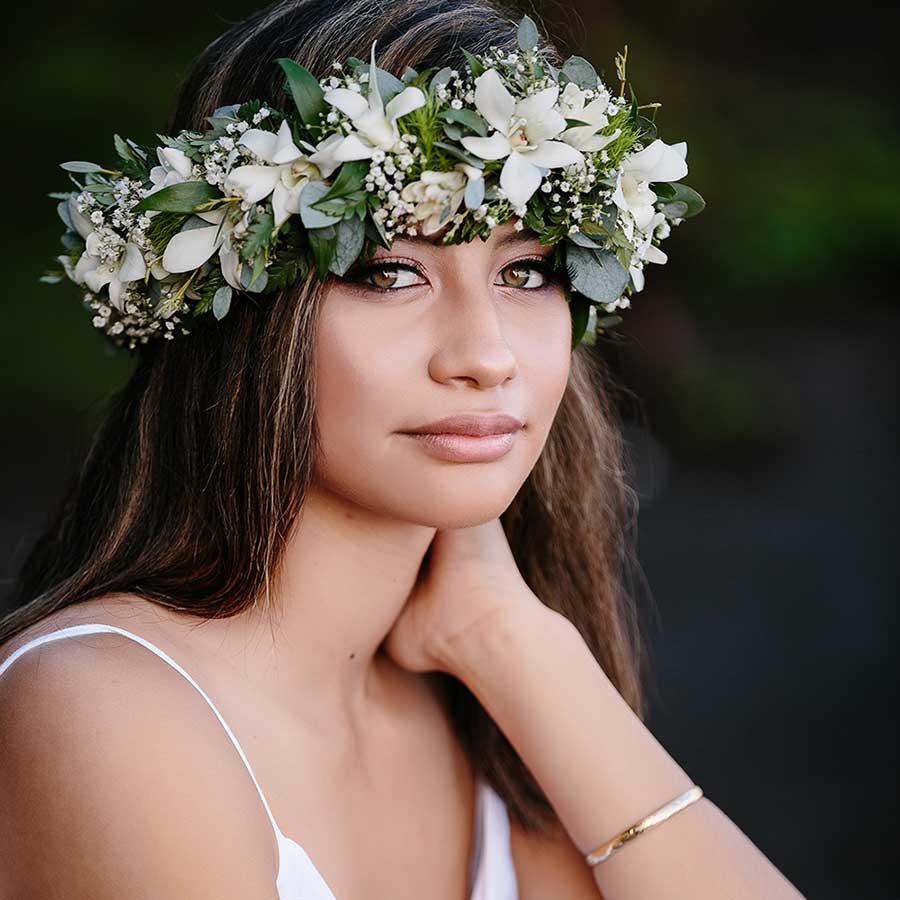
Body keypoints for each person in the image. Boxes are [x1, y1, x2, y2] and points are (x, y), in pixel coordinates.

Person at [0, 0, 806, 897]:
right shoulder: (110, 710)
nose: (485, 355)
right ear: (238, 313)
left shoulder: (492, 712)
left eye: (527, 270)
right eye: (390, 272)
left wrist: (519, 649)